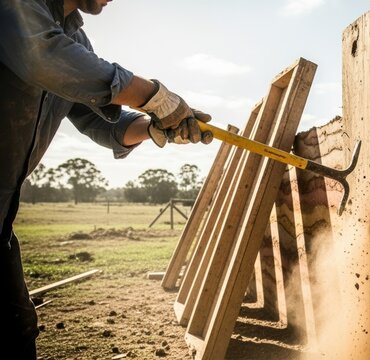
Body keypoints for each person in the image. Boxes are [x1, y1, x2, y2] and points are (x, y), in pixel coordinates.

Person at [0, 0, 213, 357]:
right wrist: (154, 96)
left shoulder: (76, 40)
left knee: (18, 331)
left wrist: (157, 127)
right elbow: (42, 58)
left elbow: (101, 124)